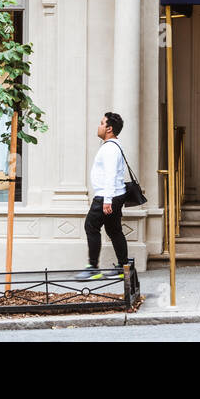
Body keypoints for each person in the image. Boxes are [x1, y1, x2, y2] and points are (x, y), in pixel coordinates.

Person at [75, 111, 129, 280]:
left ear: (109, 129)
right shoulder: (112, 146)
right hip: (114, 194)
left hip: (107, 195)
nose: (98, 126)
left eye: (101, 123)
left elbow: (111, 174)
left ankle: (93, 268)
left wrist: (107, 200)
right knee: (114, 230)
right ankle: (122, 266)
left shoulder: (110, 148)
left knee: (91, 226)